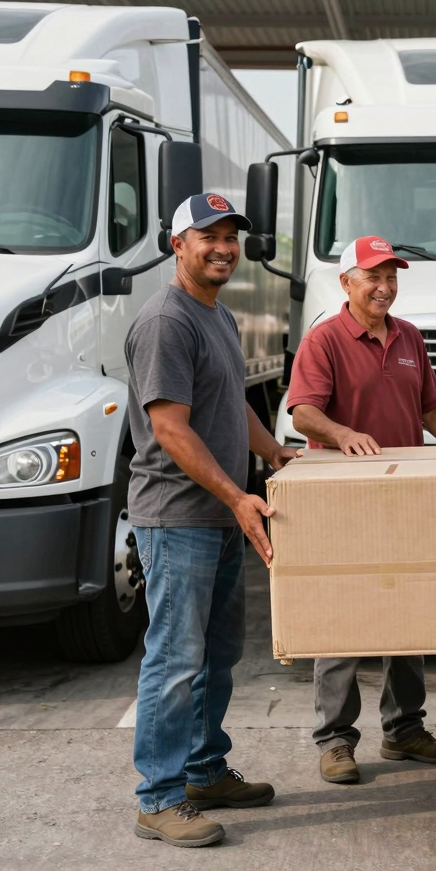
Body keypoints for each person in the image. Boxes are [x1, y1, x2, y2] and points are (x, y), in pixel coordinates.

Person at [127, 193, 299, 848]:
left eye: (231, 236)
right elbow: (170, 429)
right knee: (174, 659)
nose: (223, 246)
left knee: (216, 656)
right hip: (178, 520)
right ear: (179, 245)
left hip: (221, 515)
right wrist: (236, 496)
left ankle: (203, 771)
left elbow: (231, 407)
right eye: (209, 236)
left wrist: (272, 449)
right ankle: (159, 799)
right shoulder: (168, 321)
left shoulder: (217, 317)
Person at [287, 235, 436, 785]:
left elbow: (431, 409)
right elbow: (304, 413)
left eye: (392, 277)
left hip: (406, 499)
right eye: (374, 276)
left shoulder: (409, 337)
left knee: (410, 610)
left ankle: (404, 729)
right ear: (346, 282)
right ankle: (334, 740)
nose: (385, 287)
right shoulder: (325, 339)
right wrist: (343, 433)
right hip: (345, 501)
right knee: (343, 615)